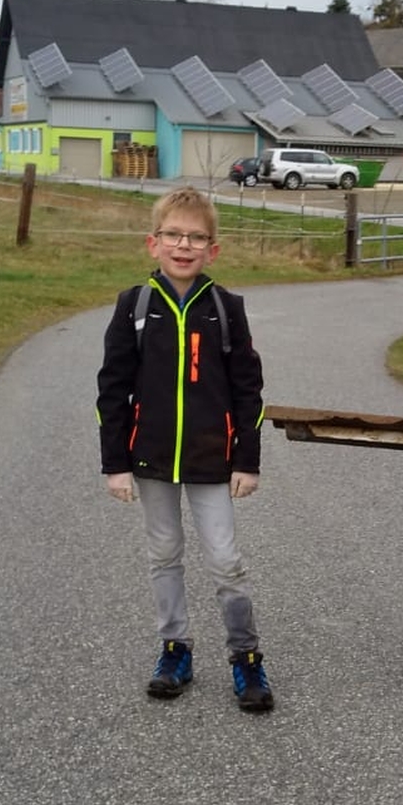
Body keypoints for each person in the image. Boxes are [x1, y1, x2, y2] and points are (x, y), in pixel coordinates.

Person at [95, 187, 272, 712]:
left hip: (212, 460)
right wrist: (115, 464)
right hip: (149, 460)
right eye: (173, 235)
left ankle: (245, 655)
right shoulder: (134, 306)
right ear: (153, 243)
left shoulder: (226, 308)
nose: (184, 245)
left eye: (196, 238)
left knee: (225, 560)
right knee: (164, 554)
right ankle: (175, 648)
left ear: (212, 250)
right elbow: (111, 390)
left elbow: (248, 390)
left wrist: (247, 459)